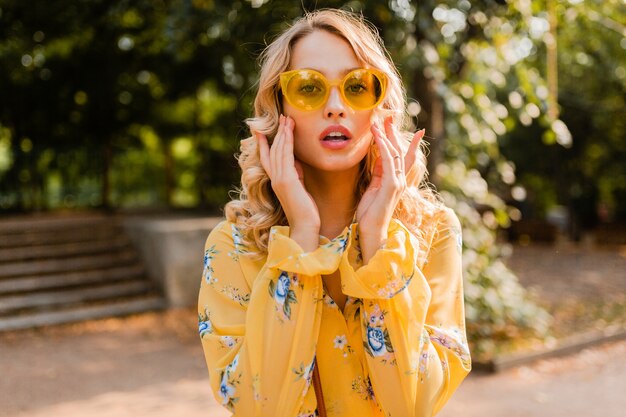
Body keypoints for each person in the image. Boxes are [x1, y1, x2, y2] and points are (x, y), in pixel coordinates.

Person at [198, 8, 471, 417]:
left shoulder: (432, 233)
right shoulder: (233, 247)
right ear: (279, 109)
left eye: (358, 86)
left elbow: (415, 404)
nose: (336, 106)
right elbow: (260, 407)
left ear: (381, 108)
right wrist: (302, 239)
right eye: (309, 87)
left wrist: (377, 243)